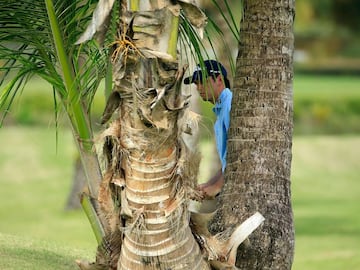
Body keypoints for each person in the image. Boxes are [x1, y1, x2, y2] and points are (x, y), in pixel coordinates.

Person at [184, 60, 232, 198]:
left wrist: (217, 186)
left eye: (202, 82)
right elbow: (228, 160)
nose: (199, 88)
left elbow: (239, 154)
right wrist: (208, 184)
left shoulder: (229, 106)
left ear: (219, 79)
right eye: (196, 83)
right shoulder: (221, 108)